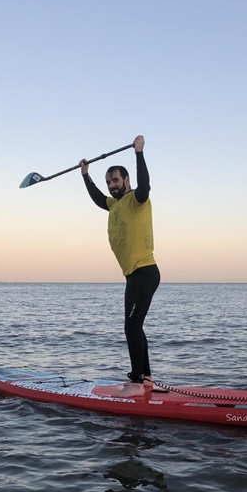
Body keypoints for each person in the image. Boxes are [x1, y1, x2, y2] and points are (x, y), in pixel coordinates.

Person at [79, 135, 161, 397]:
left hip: (144, 271)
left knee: (131, 327)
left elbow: (146, 185)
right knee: (135, 326)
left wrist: (139, 153)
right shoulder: (114, 203)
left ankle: (136, 383)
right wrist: (85, 175)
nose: (112, 185)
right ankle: (145, 379)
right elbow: (96, 198)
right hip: (133, 275)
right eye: (109, 182)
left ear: (126, 181)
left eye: (115, 180)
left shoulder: (137, 200)